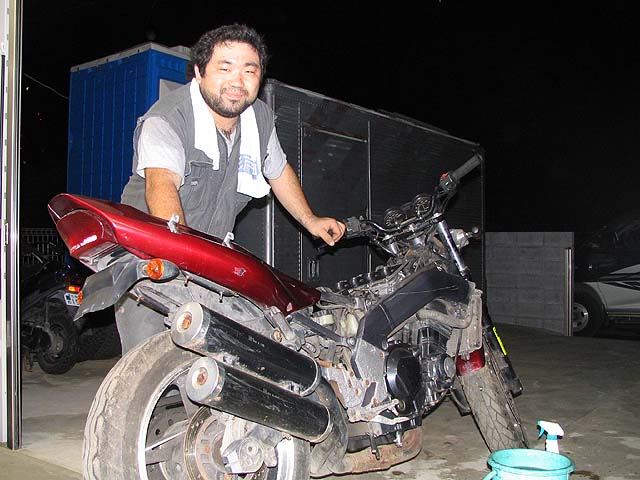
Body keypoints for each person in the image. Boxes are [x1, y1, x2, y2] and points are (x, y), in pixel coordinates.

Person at [116, 24, 345, 353]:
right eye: (225, 68)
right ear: (199, 72)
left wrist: (311, 220)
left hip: (210, 257)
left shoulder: (259, 119)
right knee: (153, 357)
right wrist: (181, 257)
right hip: (149, 255)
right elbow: (162, 185)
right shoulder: (168, 119)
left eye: (249, 71)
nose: (238, 82)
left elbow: (278, 171)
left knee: (226, 356)